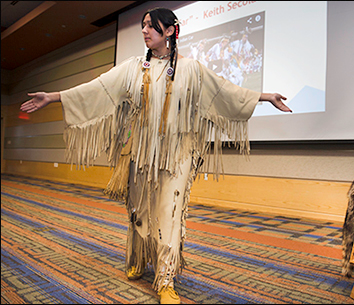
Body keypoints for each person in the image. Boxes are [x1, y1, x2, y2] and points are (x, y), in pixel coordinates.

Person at [20, 7, 291, 304]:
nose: (144, 31)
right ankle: (138, 257)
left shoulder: (192, 69)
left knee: (170, 215)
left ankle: (165, 280)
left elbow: (225, 92)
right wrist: (54, 97)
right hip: (141, 155)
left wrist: (264, 97)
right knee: (140, 211)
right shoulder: (134, 67)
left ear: (170, 31)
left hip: (178, 157)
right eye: (143, 26)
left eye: (151, 26)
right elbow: (98, 88)